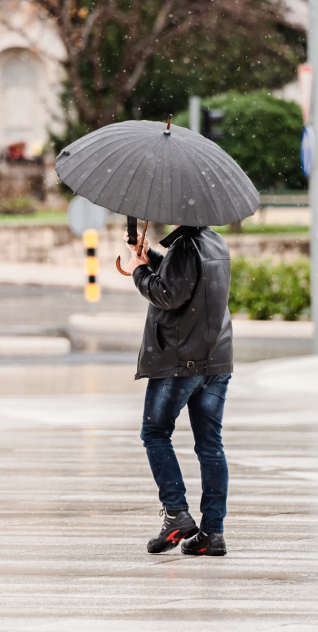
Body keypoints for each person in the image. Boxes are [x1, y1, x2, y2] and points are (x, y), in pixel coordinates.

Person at [123, 224, 233, 557]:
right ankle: (212, 533)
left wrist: (139, 271)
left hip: (181, 359)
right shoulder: (214, 242)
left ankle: (176, 513)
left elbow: (169, 294)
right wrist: (151, 257)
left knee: (155, 432)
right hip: (215, 358)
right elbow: (187, 281)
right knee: (210, 444)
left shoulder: (185, 246)